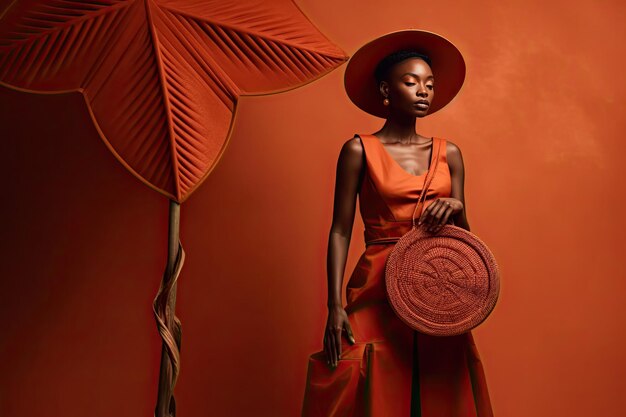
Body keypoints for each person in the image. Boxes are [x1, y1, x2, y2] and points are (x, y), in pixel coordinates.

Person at [301, 30, 494, 417]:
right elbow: (340, 229)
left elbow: (467, 242)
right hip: (376, 285)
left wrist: (455, 205)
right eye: (411, 82)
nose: (424, 91)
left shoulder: (450, 153)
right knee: (372, 387)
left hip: (436, 286)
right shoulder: (358, 149)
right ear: (387, 90)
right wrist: (333, 305)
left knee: (440, 391)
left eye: (430, 84)